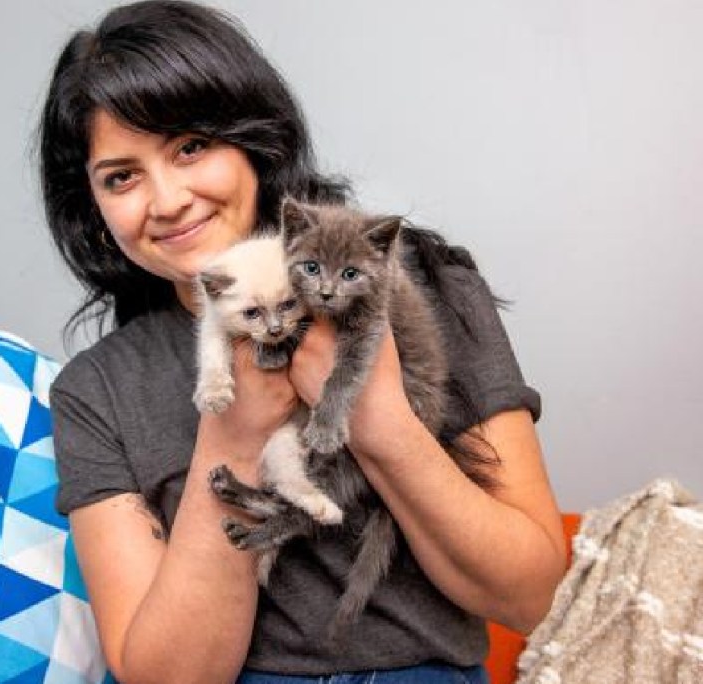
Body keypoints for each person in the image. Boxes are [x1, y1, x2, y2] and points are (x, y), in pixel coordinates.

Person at [39, 2, 567, 683]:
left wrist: (374, 417)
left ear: (253, 141)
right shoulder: (97, 390)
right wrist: (232, 438)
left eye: (191, 147)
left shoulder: (422, 286)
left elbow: (531, 598)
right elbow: (168, 676)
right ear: (93, 208)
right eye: (122, 176)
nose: (166, 200)